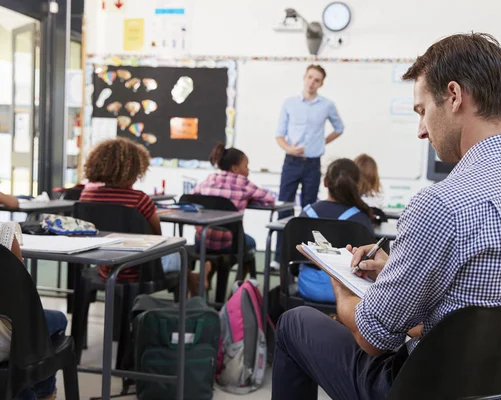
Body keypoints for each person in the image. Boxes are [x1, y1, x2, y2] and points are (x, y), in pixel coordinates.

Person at [271, 33, 501, 400]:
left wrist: (340, 283)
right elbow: (488, 306)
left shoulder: (441, 204)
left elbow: (373, 337)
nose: (421, 130)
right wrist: (399, 269)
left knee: (295, 322)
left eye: (422, 111)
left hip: (428, 389)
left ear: (454, 96)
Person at [272, 64, 345, 270]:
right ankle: (279, 257)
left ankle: (304, 259)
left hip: (312, 164)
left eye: (317, 80)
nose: (312, 82)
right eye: (310, 77)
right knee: (284, 208)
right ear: (304, 77)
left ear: (321, 83)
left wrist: (320, 143)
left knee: (309, 211)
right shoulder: (289, 103)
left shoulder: (327, 105)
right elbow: (279, 134)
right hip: (291, 162)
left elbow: (339, 128)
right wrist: (289, 148)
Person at [80, 138, 181, 282]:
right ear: (133, 170)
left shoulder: (87, 195)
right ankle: (194, 288)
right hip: (141, 269)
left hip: (105, 267)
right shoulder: (139, 199)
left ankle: (194, 282)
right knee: (180, 255)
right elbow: (158, 237)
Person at [190, 142, 275, 290]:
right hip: (229, 244)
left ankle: (206, 273)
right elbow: (269, 199)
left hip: (202, 241)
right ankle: (234, 293)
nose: (248, 171)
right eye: (246, 166)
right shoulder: (243, 183)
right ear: (235, 168)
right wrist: (248, 198)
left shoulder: (210, 179)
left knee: (215, 234)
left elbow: (190, 197)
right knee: (250, 244)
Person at [0, 222, 66, 400]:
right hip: (7, 341)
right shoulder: (4, 232)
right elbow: (21, 295)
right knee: (56, 320)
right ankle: (45, 394)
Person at [297, 158, 373, 303]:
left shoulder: (305, 214)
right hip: (349, 292)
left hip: (308, 287)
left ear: (325, 182)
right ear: (357, 184)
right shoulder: (361, 218)